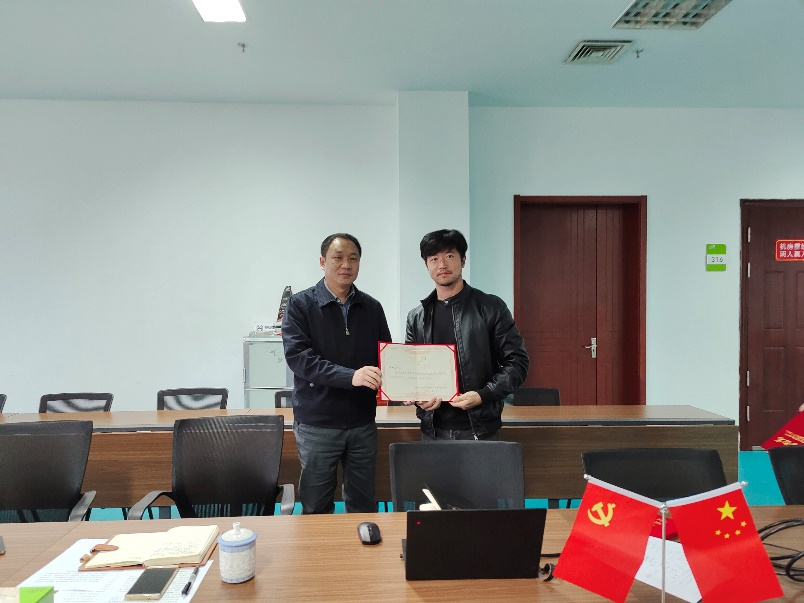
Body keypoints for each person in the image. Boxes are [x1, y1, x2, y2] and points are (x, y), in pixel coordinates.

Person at [282, 233, 391, 514]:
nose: (346, 265)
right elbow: (299, 359)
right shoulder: (300, 305)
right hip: (318, 423)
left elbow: (387, 357)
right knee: (316, 504)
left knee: (363, 503)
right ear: (322, 262)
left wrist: (409, 386)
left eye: (353, 258)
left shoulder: (372, 307)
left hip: (362, 422)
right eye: (338, 258)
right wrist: (350, 376)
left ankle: (363, 545)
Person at [405, 229, 529, 440]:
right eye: (434, 259)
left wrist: (484, 395)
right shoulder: (417, 317)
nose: (442, 265)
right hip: (433, 430)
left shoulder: (491, 307)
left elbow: (517, 362)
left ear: (463, 261)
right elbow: (413, 371)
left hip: (480, 429)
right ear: (427, 265)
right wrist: (417, 396)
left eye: (449, 256)